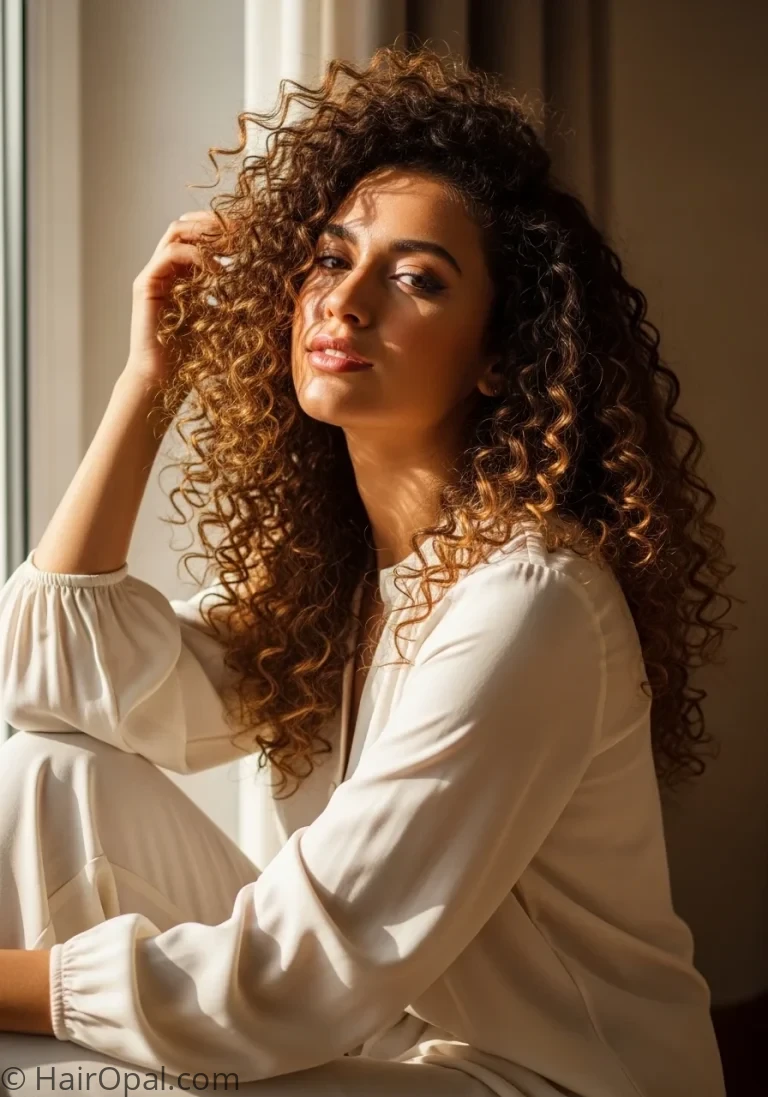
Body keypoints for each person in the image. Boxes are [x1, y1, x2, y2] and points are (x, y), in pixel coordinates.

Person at [0, 44, 733, 1097]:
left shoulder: (529, 604)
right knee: (47, 773)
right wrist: (150, 379)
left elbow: (285, 979)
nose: (344, 302)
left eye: (415, 278)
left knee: (86, 1078)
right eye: (332, 258)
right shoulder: (349, 587)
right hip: (393, 1041)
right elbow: (49, 676)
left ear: (499, 352)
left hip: (547, 1081)